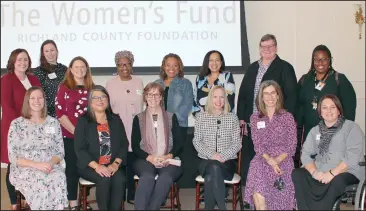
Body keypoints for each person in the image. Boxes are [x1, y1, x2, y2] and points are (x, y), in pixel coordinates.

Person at [236, 34, 297, 191]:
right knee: (255, 158)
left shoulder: (285, 67)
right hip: (254, 123)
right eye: (264, 47)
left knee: (273, 158)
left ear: (276, 47)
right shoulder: (252, 68)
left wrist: (283, 121)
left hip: (275, 124)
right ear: (260, 49)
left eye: (270, 46)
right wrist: (242, 118)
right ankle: (256, 193)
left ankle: (274, 192)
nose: (267, 50)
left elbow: (291, 96)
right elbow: (243, 94)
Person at [292, 94, 365, 210]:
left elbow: (352, 157)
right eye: (324, 107)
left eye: (333, 107)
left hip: (346, 172)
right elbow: (306, 154)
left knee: (337, 181)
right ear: (320, 112)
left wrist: (331, 174)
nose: (328, 111)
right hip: (321, 171)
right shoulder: (315, 131)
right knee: (297, 174)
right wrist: (314, 172)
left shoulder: (351, 128)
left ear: (339, 110)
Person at [8, 86, 68, 210]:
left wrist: (50, 163)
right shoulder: (17, 124)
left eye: (40, 97)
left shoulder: (53, 123)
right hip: (25, 168)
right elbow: (13, 156)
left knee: (58, 177)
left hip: (49, 165)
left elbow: (60, 152)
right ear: (27, 101)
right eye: (33, 98)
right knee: (41, 181)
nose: (37, 101)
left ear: (44, 100)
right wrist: (37, 165)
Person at [244, 80, 297, 210]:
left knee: (279, 185)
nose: (270, 97)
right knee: (256, 169)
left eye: (273, 93)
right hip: (263, 158)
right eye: (266, 94)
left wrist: (277, 160)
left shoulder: (287, 117)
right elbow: (258, 145)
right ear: (261, 97)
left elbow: (292, 145)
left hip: (283, 158)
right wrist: (270, 161)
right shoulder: (255, 117)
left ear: (278, 95)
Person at [74, 85, 129, 211]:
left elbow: (123, 144)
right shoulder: (83, 121)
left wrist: (115, 164)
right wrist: (97, 166)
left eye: (103, 97)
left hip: (111, 164)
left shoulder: (115, 119)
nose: (100, 100)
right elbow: (79, 149)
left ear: (108, 100)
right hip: (90, 166)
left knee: (120, 179)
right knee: (104, 179)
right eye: (96, 98)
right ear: (90, 102)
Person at [131, 82, 184, 210]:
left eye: (156, 95)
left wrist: (168, 156)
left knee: (165, 178)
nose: (153, 98)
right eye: (149, 94)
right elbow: (135, 146)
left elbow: (179, 143)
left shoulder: (171, 117)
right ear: (145, 97)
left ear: (161, 97)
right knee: (147, 177)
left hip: (168, 158)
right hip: (145, 159)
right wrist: (150, 158)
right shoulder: (138, 118)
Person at [1, 48, 41, 210]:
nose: (23, 63)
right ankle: (14, 203)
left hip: (35, 128)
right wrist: (24, 125)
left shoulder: (33, 79)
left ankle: (26, 198)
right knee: (14, 165)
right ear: (13, 62)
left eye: (25, 59)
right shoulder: (6, 80)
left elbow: (40, 102)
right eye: (19, 60)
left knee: (31, 164)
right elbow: (7, 106)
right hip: (14, 129)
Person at [295, 44, 356, 145]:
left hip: (333, 132)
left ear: (330, 60)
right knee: (310, 159)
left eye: (324, 59)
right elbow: (298, 103)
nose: (320, 63)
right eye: (316, 59)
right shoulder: (305, 79)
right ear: (312, 61)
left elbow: (350, 108)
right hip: (309, 132)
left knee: (331, 159)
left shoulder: (339, 80)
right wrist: (299, 124)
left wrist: (345, 131)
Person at [55, 56, 95, 210]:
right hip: (69, 136)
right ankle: (73, 203)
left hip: (89, 137)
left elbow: (97, 112)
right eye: (76, 67)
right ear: (70, 69)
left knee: (86, 167)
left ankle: (85, 200)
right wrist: (77, 132)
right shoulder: (64, 87)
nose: (80, 70)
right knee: (71, 170)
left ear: (87, 69)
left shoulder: (92, 88)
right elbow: (60, 114)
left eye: (83, 67)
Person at [193, 85, 242, 210]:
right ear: (210, 98)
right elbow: (197, 141)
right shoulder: (201, 117)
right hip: (206, 161)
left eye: (221, 97)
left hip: (227, 163)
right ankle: (222, 207)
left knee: (211, 175)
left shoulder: (232, 117)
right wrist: (212, 155)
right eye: (215, 97)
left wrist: (223, 156)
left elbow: (237, 143)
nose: (218, 100)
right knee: (213, 166)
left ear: (225, 99)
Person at [106, 50, 144, 204]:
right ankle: (119, 195)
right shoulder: (110, 83)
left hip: (135, 126)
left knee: (132, 160)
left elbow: (142, 105)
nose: (124, 67)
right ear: (116, 66)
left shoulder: (139, 81)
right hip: (117, 127)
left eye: (127, 64)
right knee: (120, 160)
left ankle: (132, 195)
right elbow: (107, 107)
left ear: (131, 65)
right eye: (120, 64)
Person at [155, 53, 194, 142]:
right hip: (159, 127)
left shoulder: (186, 83)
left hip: (179, 126)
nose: (171, 68)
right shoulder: (156, 84)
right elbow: (152, 105)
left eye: (175, 65)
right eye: (168, 65)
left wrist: (170, 120)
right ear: (163, 67)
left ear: (179, 67)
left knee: (176, 155)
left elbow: (187, 106)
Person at [192, 50, 235, 115]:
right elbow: (195, 99)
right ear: (207, 62)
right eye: (211, 60)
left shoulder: (227, 76)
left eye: (217, 60)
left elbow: (229, 100)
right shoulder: (200, 78)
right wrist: (200, 117)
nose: (214, 63)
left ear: (221, 62)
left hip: (223, 119)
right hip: (203, 120)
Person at [33, 39, 68, 118]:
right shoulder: (38, 71)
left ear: (57, 51)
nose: (50, 53)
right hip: (46, 113)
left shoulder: (64, 69)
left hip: (64, 113)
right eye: (47, 51)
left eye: (52, 50)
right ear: (43, 54)